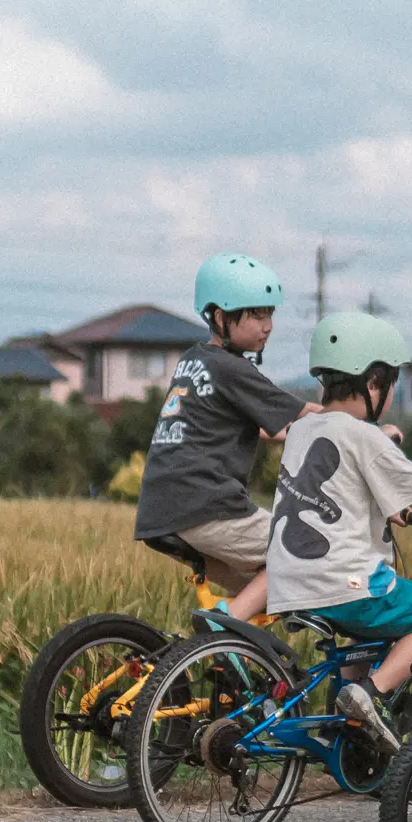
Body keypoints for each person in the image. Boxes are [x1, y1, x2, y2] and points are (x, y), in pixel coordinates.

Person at [263, 311, 412, 752]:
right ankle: (370, 693)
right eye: (390, 383)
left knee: (364, 636)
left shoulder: (303, 429)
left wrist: (393, 505)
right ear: (373, 382)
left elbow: (341, 487)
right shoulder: (364, 436)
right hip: (343, 580)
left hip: (288, 578)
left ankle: (345, 735)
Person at [134, 254, 305, 617]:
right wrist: (364, 430)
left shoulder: (194, 360)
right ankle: (225, 626)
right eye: (256, 315)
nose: (268, 326)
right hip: (208, 507)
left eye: (270, 314)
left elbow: (228, 426)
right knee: (306, 552)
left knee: (276, 596)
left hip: (162, 511)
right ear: (220, 317)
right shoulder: (231, 368)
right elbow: (304, 412)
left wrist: (290, 434)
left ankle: (226, 646)